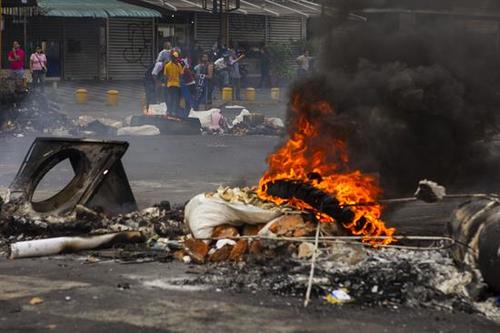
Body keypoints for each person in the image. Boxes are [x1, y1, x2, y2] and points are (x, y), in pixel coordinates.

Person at [164, 50, 184, 117]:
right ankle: (173, 112)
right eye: (174, 58)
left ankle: (170, 111)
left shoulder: (167, 65)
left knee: (171, 98)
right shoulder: (178, 65)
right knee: (175, 99)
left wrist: (165, 85)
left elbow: (165, 77)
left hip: (170, 85)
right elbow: (181, 75)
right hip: (176, 85)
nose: (175, 59)